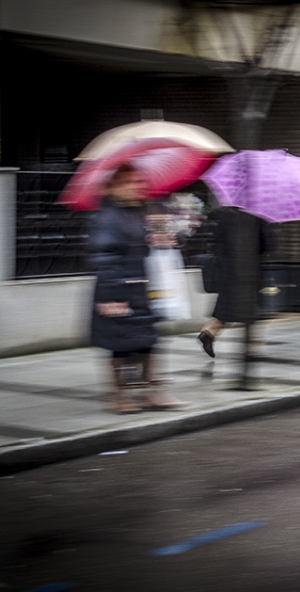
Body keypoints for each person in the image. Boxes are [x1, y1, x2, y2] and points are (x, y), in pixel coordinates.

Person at [89, 163, 185, 414]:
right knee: (119, 346)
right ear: (114, 187)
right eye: (129, 182)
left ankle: (153, 391)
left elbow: (169, 242)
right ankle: (118, 395)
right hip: (118, 290)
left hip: (144, 288)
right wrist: (112, 295)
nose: (137, 186)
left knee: (148, 342)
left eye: (140, 182)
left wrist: (170, 235)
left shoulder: (148, 210)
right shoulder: (108, 216)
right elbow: (104, 257)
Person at [196, 206, 273, 388]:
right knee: (248, 316)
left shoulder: (225, 213)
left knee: (231, 311)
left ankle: (208, 332)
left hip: (228, 272)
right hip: (249, 272)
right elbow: (268, 244)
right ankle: (247, 362)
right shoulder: (258, 213)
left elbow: (214, 241)